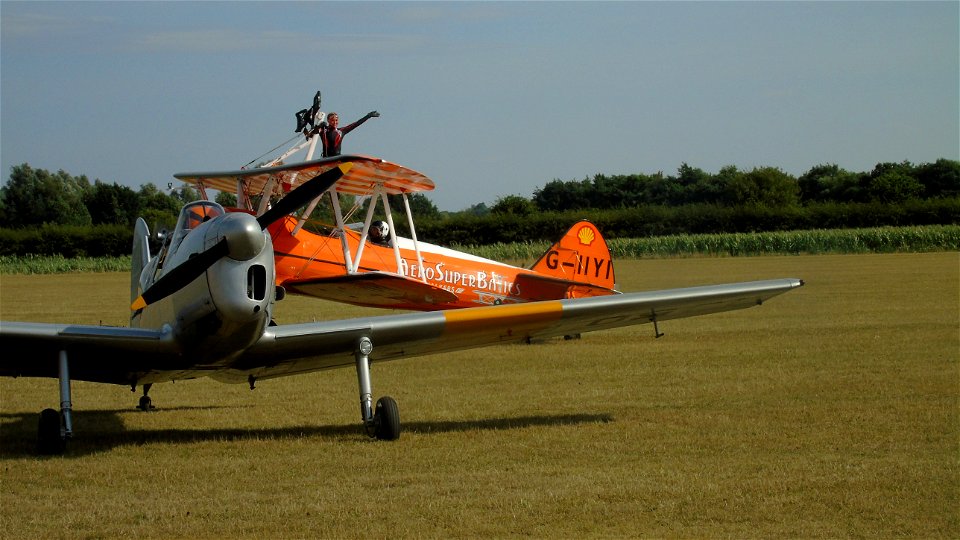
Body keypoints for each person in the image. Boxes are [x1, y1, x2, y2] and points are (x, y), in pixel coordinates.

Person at [309, 110, 380, 157]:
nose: (335, 122)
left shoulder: (341, 131)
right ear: (328, 121)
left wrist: (368, 116)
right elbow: (310, 136)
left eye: (336, 120)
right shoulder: (323, 130)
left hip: (337, 159)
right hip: (326, 159)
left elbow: (356, 124)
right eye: (332, 120)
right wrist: (318, 126)